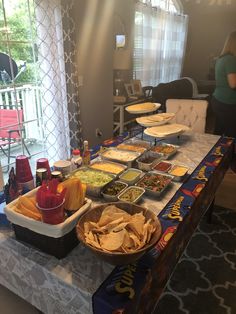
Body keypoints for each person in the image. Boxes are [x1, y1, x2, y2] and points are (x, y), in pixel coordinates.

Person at [211, 31, 236, 138]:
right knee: (232, 134)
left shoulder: (221, 58)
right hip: (227, 103)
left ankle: (215, 153)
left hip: (218, 100)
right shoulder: (231, 60)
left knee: (218, 133)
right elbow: (233, 84)